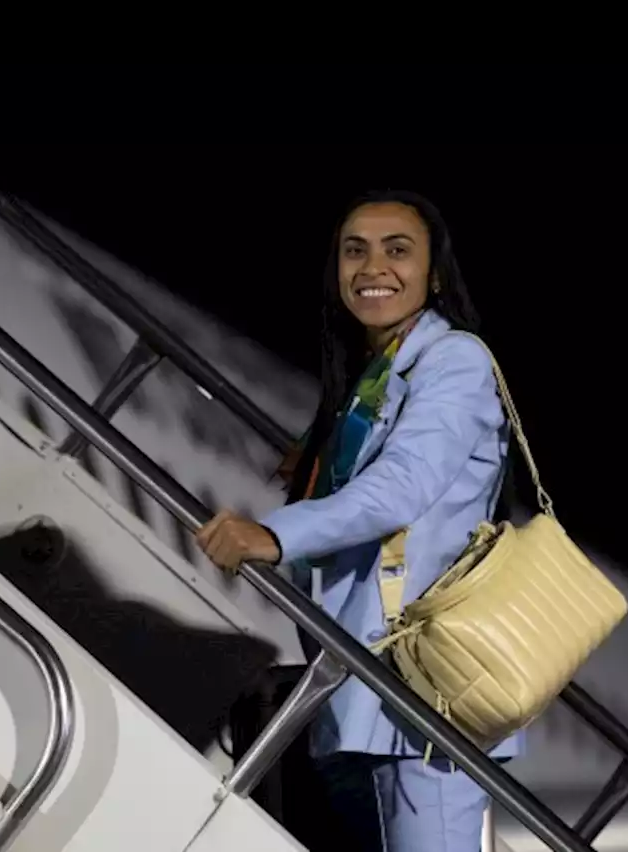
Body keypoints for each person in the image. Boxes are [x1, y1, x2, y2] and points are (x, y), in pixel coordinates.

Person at [196, 190, 518, 851]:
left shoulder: (454, 360)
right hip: (370, 684)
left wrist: (276, 535)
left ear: (434, 274)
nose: (373, 266)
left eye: (397, 250)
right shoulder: (377, 373)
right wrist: (320, 458)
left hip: (426, 695)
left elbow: (401, 487)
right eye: (355, 250)